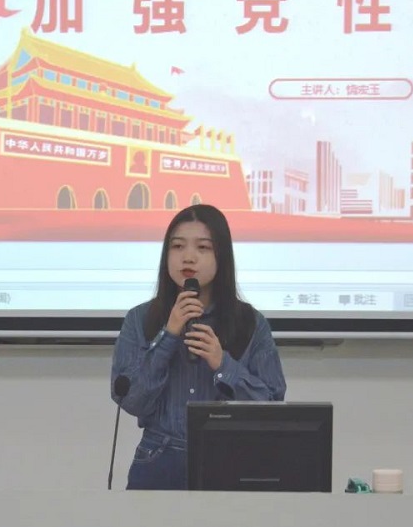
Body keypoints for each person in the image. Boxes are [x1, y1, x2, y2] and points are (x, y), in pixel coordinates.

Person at [110, 204, 286, 490]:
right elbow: (130, 400)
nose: (188, 257)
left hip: (229, 457)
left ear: (221, 256)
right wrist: (169, 335)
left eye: (203, 247)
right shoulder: (140, 319)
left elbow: (273, 406)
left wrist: (223, 364)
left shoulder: (250, 323)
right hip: (158, 458)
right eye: (177, 246)